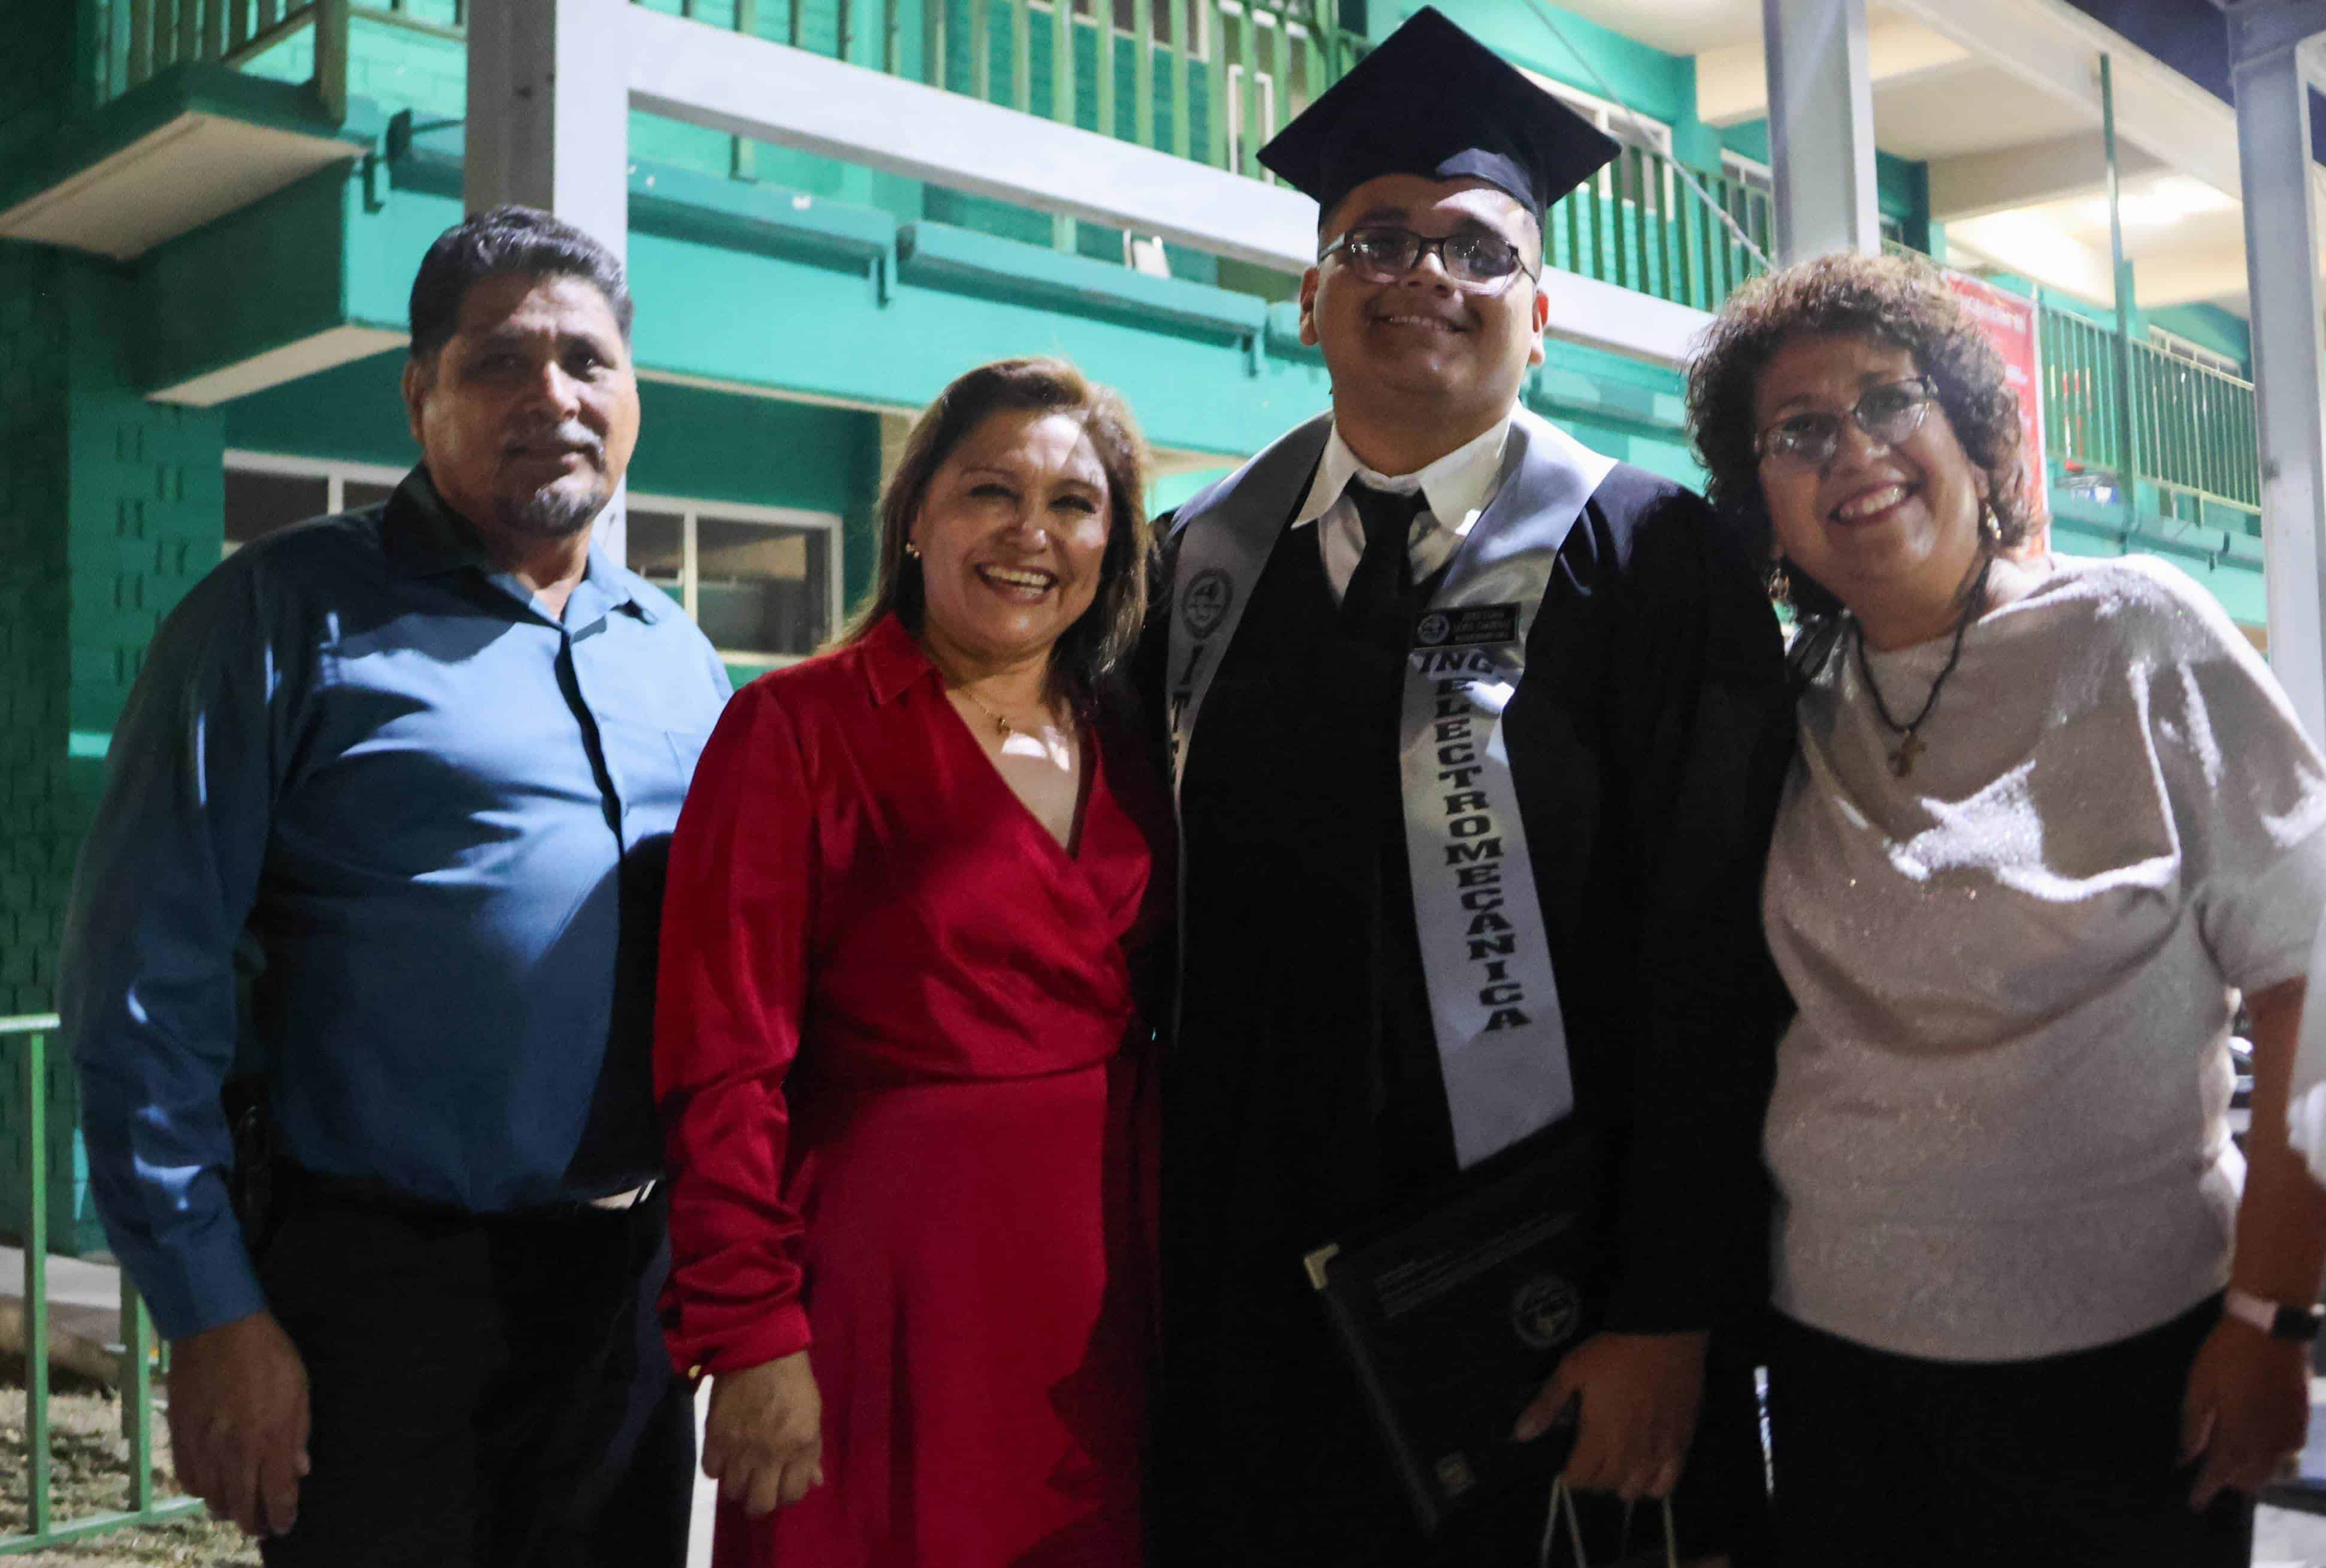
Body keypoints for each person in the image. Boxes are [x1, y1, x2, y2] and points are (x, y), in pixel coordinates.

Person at [1136, 11, 1789, 1563]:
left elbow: (1720, 959)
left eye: (1477, 250)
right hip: (1249, 1283)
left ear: (1542, 315)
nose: (1424, 273)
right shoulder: (1197, 567)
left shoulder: (1654, 560)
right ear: (1307, 297)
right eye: (1375, 241)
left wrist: (1664, 1305)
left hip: (1547, 1287)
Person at [59, 206, 727, 1567]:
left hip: (630, 1309)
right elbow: (140, 987)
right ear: (418, 394)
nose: (553, 394)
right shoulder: (277, 613)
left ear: (634, 392)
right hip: (379, 1301)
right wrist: (209, 1312)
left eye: (587, 361)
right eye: (499, 362)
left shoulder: (677, 655)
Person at [1683, 249, 2326, 1566]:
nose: (1851, 449)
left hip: (2129, 1373)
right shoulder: (1781, 705)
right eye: (1797, 431)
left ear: (1977, 435)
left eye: (1887, 399)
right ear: (1761, 500)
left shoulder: (2138, 632)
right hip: (1835, 1374)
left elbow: (2312, 978)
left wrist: (2272, 1319)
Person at [655, 356, 1170, 1567]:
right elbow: (722, 1057)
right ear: (917, 514)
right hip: (882, 1292)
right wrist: (749, 1330)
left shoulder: (1132, 738)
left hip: (1107, 1294)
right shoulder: (797, 727)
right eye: (991, 490)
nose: (1029, 534)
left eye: (1073, 503)